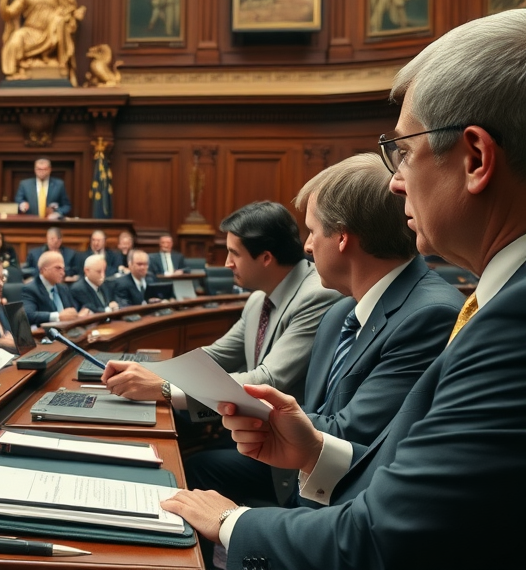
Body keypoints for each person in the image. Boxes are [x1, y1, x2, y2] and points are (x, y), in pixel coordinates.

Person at [160, 11, 526, 569]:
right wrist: (315, 450)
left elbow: (387, 537)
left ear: (475, 158)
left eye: (403, 151)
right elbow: (413, 479)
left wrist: (231, 523)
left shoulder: (509, 321)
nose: (395, 182)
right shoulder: (493, 304)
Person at [183, 153, 463, 556]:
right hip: (306, 492)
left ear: (342, 237)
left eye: (313, 231)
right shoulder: (339, 313)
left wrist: (250, 413)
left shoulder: (429, 314)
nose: (307, 245)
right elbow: (318, 421)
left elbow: (348, 437)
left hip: (351, 529)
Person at [104, 201, 341, 419]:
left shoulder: (317, 295)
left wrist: (164, 387)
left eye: (234, 253)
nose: (227, 263)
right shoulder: (259, 299)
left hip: (284, 439)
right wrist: (145, 371)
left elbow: (267, 380)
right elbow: (215, 356)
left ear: (266, 258)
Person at [0, 0, 86, 85]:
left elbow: (68, 10)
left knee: (59, 21)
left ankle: (62, 65)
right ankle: (13, 70)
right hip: (30, 32)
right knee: (16, 38)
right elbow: (8, 14)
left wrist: (74, 14)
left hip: (51, 32)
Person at [22, 250, 88, 325]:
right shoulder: (30, 289)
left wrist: (76, 313)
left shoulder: (63, 288)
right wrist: (57, 316)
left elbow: (71, 310)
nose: (63, 273)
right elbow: (29, 315)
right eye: (58, 268)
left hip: (67, 328)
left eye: (63, 269)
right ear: (43, 270)